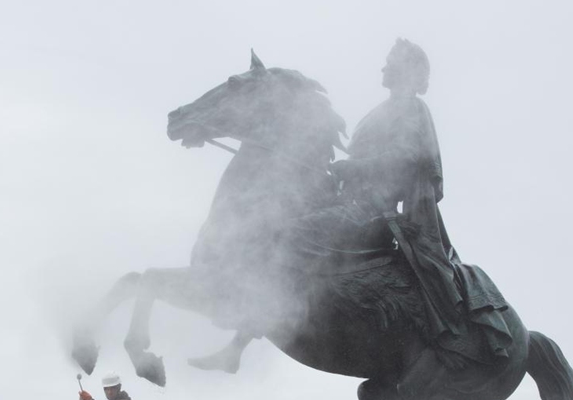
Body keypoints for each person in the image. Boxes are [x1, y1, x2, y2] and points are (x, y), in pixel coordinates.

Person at [189, 38, 510, 373]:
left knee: (284, 238)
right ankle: (243, 339)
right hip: (353, 201)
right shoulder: (379, 113)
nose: (384, 67)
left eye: (391, 62)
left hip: (371, 211)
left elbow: (411, 157)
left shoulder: (412, 109)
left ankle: (241, 343)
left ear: (407, 69)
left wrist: (354, 168)